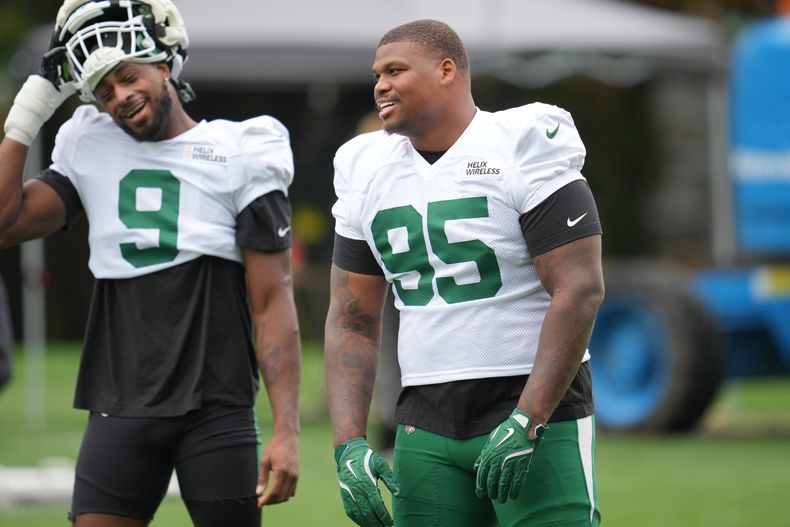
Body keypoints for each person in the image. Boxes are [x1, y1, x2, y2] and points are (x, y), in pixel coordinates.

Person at [0, 1, 300, 525]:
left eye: (127, 76)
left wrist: (287, 430)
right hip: (119, 403)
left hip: (215, 405)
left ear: (163, 65)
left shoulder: (242, 150)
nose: (119, 96)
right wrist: (30, 110)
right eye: (104, 91)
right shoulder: (90, 143)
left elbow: (272, 302)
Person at [324, 19, 604, 527]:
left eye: (395, 70)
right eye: (377, 74)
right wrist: (348, 442)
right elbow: (351, 318)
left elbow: (580, 288)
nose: (380, 85)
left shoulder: (521, 143)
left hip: (530, 404)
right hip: (424, 415)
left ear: (446, 70)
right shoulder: (365, 165)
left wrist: (530, 417)